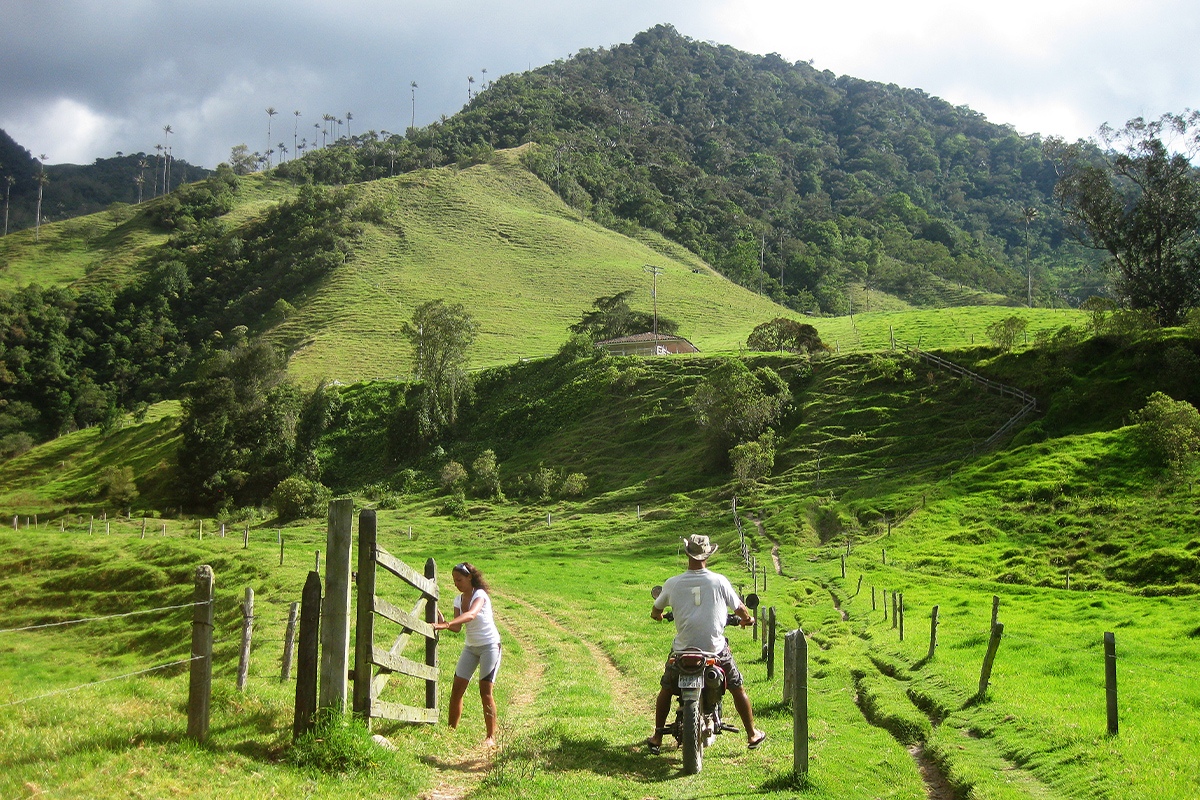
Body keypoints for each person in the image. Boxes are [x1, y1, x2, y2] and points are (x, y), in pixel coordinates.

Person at [646, 534, 766, 754]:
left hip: (682, 651)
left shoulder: (672, 583)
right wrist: (748, 619)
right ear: (708, 554)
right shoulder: (719, 581)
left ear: (687, 553)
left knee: (665, 688)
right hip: (715, 651)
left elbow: (656, 609)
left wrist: (659, 616)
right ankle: (752, 734)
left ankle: (657, 737)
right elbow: (739, 608)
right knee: (737, 687)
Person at [433, 561, 501, 747]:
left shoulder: (480, 595)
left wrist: (445, 625)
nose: (457, 583)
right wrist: (445, 621)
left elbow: (471, 615)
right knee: (457, 688)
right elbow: (456, 628)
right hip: (470, 648)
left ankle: (490, 737)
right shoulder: (458, 599)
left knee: (485, 691)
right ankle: (450, 731)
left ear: (470, 577)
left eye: (460, 579)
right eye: (454, 580)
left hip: (489, 646)